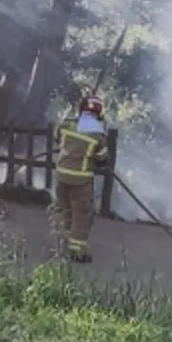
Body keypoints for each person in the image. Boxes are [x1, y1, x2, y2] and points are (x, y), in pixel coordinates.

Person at [52, 94, 110, 263]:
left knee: (66, 210)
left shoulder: (67, 125)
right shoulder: (98, 135)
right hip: (81, 181)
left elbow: (57, 136)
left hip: (62, 176)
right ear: (99, 113)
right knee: (82, 215)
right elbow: (102, 159)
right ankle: (77, 252)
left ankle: (65, 241)